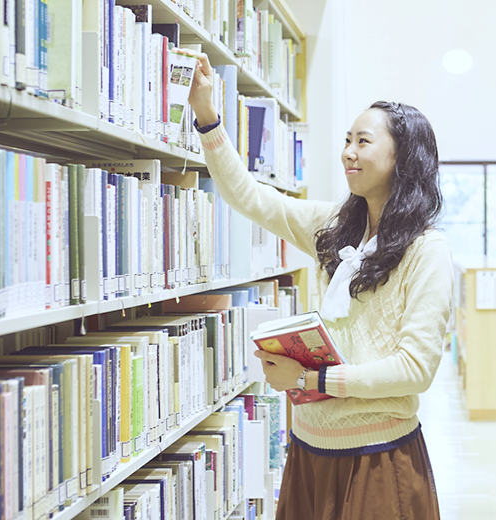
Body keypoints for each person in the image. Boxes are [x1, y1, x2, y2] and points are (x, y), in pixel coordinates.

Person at [184, 50, 453, 520]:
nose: (348, 151)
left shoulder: (426, 250)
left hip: (378, 456)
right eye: (347, 139)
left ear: (402, 158)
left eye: (363, 142)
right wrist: (208, 118)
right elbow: (250, 196)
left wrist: (312, 380)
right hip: (309, 449)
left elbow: (416, 370)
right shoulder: (333, 225)